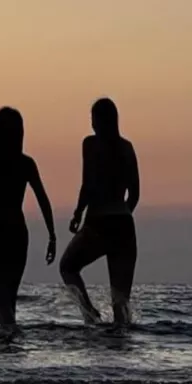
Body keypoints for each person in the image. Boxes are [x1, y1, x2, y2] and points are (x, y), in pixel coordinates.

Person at [0, 107, 57, 329]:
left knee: (1, 298)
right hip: (18, 234)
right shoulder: (25, 163)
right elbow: (43, 201)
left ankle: (8, 341)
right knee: (10, 297)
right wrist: (52, 235)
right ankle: (11, 348)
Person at [60, 98, 140, 325]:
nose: (91, 124)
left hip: (99, 221)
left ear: (98, 121)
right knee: (121, 302)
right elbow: (135, 193)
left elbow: (88, 184)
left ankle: (89, 312)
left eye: (93, 119)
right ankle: (122, 353)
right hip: (124, 224)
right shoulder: (127, 148)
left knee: (67, 266)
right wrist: (122, 215)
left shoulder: (91, 144)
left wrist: (78, 214)